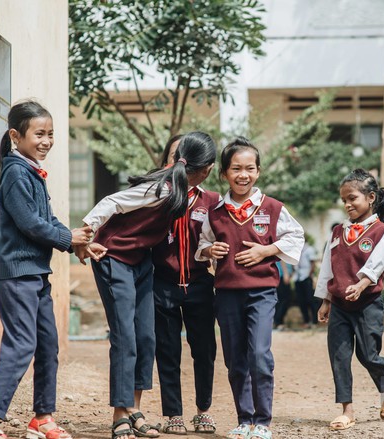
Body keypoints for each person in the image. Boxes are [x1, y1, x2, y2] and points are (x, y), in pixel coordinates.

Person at [75, 132, 217, 439]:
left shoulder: (184, 190)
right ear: (207, 168)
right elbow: (111, 202)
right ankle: (119, 415)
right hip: (115, 258)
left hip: (141, 263)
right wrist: (86, 235)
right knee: (125, 336)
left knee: (146, 337)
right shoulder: (161, 189)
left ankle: (134, 410)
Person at [0, 101, 93, 439]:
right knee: (22, 342)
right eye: (40, 134)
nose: (47, 141)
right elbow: (29, 224)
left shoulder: (32, 171)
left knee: (47, 344)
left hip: (36, 272)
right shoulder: (15, 172)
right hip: (17, 272)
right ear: (16, 135)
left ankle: (43, 417)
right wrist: (68, 238)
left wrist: (77, 241)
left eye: (51, 134)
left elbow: (47, 220)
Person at [196, 137, 304, 439]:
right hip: (227, 293)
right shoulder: (215, 211)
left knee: (259, 354)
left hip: (262, 292)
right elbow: (203, 242)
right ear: (224, 173)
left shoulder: (272, 207)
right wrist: (209, 250)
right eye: (236, 169)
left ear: (258, 171)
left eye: (250, 168)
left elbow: (296, 237)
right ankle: (244, 419)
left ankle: (263, 421)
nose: (243, 175)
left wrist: (265, 251)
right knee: (234, 359)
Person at [314, 169, 384, 431]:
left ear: (371, 197)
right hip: (340, 305)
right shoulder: (338, 232)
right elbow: (328, 266)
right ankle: (347, 410)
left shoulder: (383, 232)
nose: (348, 205)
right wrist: (326, 299)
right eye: (344, 201)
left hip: (367, 305)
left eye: (353, 198)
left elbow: (378, 263)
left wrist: (361, 284)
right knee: (339, 356)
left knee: (369, 355)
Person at [151, 135, 220, 434]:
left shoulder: (213, 201)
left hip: (200, 284)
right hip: (161, 284)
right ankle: (173, 414)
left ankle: (203, 410)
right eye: (173, 154)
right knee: (167, 350)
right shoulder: (154, 195)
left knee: (204, 349)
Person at [294, 236, 320, 327]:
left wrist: (309, 275)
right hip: (298, 277)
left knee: (310, 299)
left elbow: (312, 263)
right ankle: (306, 320)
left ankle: (314, 321)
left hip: (306, 276)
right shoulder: (296, 249)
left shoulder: (309, 249)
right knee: (301, 301)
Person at [273, 260, 293, 330]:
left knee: (282, 300)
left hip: (281, 276)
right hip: (281, 276)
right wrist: (286, 273)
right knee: (284, 300)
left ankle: (279, 322)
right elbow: (283, 259)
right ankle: (278, 322)